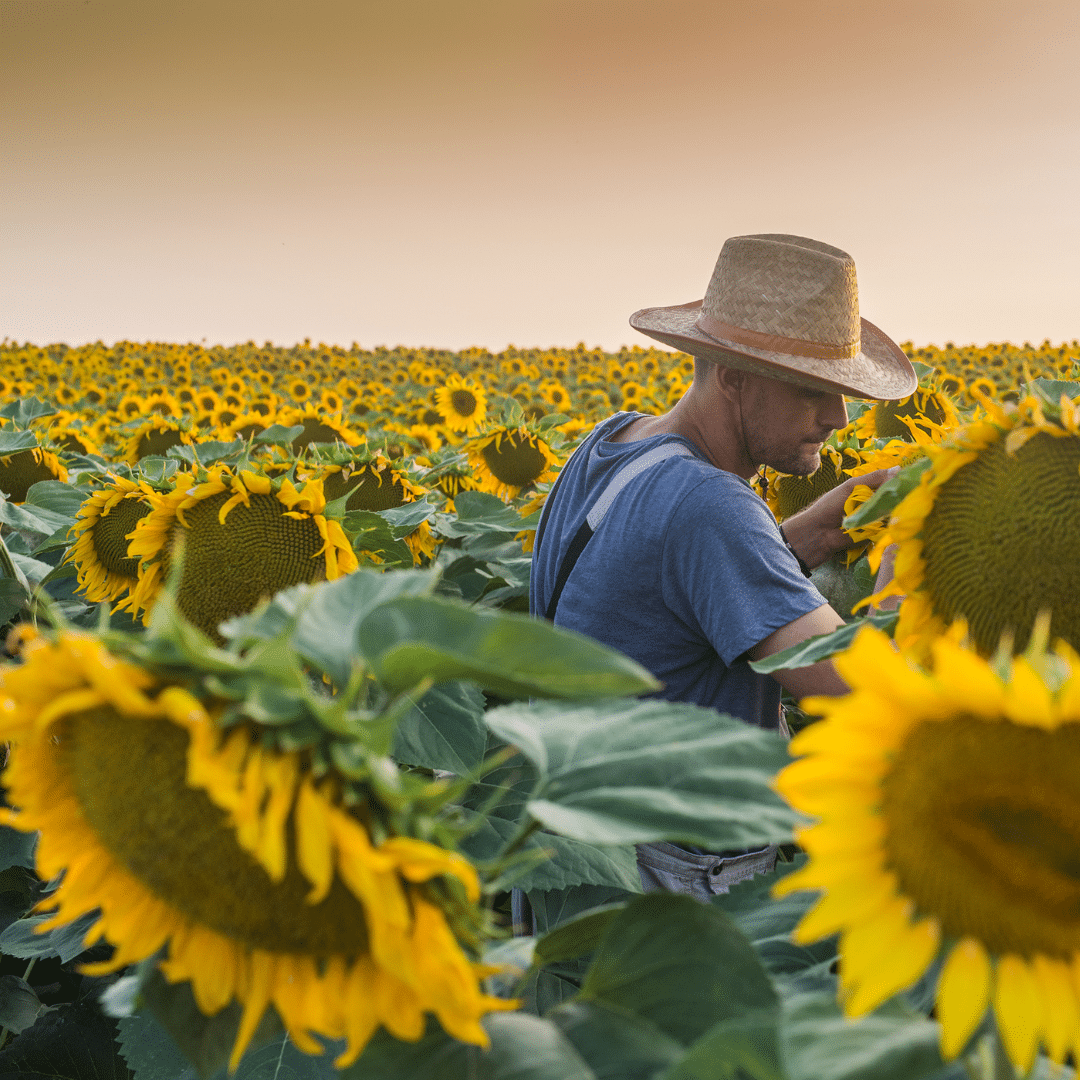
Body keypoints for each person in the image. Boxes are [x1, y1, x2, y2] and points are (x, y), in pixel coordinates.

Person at [527, 233, 916, 905]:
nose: (839, 417)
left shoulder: (615, 443)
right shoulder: (711, 506)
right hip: (680, 887)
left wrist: (799, 538)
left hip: (578, 858)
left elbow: (656, 596)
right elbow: (867, 695)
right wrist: (907, 568)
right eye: (810, 391)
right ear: (733, 377)